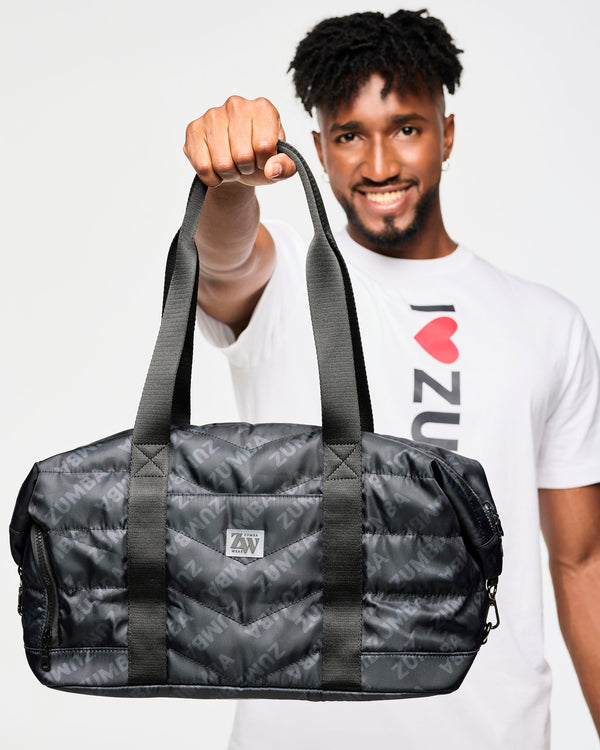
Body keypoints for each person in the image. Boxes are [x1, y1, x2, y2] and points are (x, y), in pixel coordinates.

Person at [183, 9, 600, 750]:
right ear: (318, 148)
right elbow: (222, 261)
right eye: (349, 135)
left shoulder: (547, 324)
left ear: (447, 133)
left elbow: (582, 561)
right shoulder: (283, 281)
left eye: (406, 127)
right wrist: (230, 186)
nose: (379, 163)